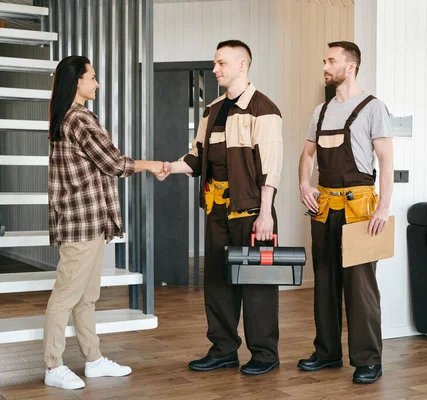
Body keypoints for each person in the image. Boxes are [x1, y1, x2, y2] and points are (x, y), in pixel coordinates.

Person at [155, 40, 283, 375]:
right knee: (217, 283)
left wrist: (266, 213)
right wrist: (171, 166)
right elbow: (197, 157)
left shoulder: (264, 109)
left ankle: (265, 355)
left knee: (257, 283)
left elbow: (271, 165)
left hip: (255, 211)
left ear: (243, 65)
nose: (215, 70)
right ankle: (224, 349)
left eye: (222, 63)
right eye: (215, 63)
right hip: (218, 212)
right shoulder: (211, 110)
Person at [44, 55, 162, 390]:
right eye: (92, 77)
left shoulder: (71, 116)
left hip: (90, 219)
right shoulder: (77, 119)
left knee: (87, 297)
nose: (96, 83)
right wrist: (153, 164)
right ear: (77, 82)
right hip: (80, 222)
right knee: (66, 296)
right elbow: (112, 162)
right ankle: (53, 366)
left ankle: (93, 360)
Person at [297, 41, 393, 384]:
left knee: (360, 287)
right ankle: (326, 353)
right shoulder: (320, 111)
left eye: (330, 60)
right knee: (324, 281)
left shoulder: (372, 108)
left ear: (349, 67)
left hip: (360, 208)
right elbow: (307, 155)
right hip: (325, 207)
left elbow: (385, 160)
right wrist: (304, 185)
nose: (324, 65)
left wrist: (383, 207)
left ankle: (368, 360)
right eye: (325, 60)